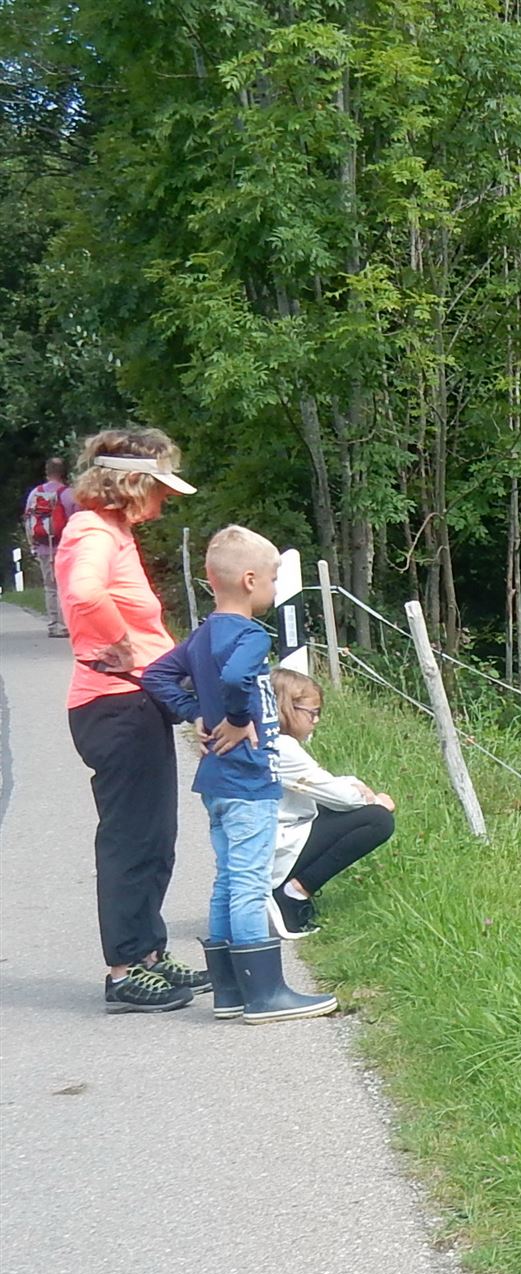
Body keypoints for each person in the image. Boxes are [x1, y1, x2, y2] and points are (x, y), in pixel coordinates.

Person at [142, 526, 336, 1025]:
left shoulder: (205, 633)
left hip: (218, 781)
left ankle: (229, 991)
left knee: (228, 880)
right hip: (249, 779)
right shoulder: (251, 635)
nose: (273, 588)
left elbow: (156, 675)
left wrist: (194, 712)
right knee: (250, 882)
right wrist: (231, 717)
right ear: (250, 581)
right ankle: (265, 994)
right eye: (272, 579)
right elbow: (235, 677)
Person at [56, 428, 209, 1013]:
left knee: (156, 838)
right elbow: (84, 592)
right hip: (114, 705)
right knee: (130, 840)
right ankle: (123, 970)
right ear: (131, 483)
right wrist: (117, 641)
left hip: (135, 703)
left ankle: (148, 953)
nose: (164, 500)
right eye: (160, 488)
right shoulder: (92, 532)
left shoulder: (113, 532)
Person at [266, 668, 396, 939]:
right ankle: (292, 893)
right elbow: (341, 796)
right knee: (377, 820)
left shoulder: (269, 742)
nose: (316, 720)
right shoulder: (282, 748)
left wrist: (353, 786)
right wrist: (375, 801)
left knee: (344, 809)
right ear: (286, 709)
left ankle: (290, 888)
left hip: (281, 830)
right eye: (312, 713)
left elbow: (320, 783)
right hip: (281, 840)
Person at [23, 456, 77, 637]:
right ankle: (66, 625)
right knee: (66, 586)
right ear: (64, 472)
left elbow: (28, 521)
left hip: (44, 547)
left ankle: (54, 625)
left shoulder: (35, 493)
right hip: (66, 548)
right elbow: (79, 521)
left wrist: (32, 544)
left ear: (46, 471)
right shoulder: (69, 494)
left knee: (50, 587)